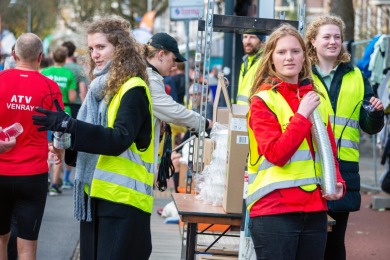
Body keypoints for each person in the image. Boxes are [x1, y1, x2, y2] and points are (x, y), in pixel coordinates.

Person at [32, 16, 154, 259]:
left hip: (124, 203)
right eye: (91, 49)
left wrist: (71, 125)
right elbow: (93, 144)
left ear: (120, 48)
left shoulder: (133, 88)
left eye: (101, 47)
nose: (95, 54)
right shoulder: (101, 89)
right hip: (96, 197)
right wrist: (64, 143)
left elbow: (118, 139)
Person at [246, 24, 345, 260]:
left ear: (304, 56)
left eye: (295, 51)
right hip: (274, 212)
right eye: (281, 52)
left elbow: (328, 150)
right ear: (271, 59)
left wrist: (337, 180)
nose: (289, 57)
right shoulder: (263, 100)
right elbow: (276, 154)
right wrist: (301, 116)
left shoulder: (313, 96)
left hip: (314, 209)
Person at [305, 15, 384, 260]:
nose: (333, 42)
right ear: (313, 41)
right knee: (309, 240)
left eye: (337, 37)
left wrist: (376, 113)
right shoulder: (301, 75)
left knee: (335, 242)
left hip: (345, 169)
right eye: (326, 37)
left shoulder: (358, 76)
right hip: (307, 167)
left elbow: (369, 126)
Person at [0, 32, 63, 260]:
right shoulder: (50, 87)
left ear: (14, 54)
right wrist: (58, 151)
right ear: (40, 56)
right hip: (33, 175)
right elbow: (61, 130)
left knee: (0, 240)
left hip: (1, 171)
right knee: (27, 247)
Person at [144, 32, 213, 171]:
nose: (175, 65)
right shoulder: (149, 79)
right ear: (161, 54)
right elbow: (174, 112)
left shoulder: (148, 76)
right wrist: (204, 123)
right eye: (173, 59)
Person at [41, 46, 78, 194]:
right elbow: (72, 98)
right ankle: (55, 184)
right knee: (59, 149)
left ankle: (46, 178)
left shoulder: (45, 72)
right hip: (62, 115)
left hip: (45, 114)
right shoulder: (68, 74)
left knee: (45, 147)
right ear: (65, 58)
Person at [236, 30, 265, 105]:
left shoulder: (264, 62)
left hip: (254, 112)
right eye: (245, 37)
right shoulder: (245, 62)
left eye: (252, 37)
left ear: (262, 41)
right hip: (240, 112)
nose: (247, 41)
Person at [62, 40, 88, 115]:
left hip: (61, 105)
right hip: (76, 106)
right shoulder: (79, 68)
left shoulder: (59, 68)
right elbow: (83, 92)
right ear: (73, 52)